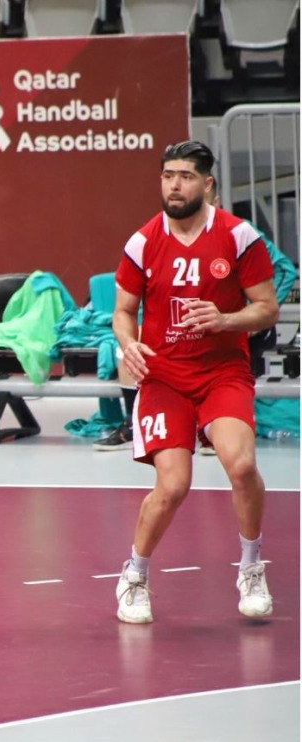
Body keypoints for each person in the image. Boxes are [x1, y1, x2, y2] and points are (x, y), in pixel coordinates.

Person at [111, 141, 278, 624]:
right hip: (164, 376)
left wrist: (225, 320)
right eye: (167, 175)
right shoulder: (143, 242)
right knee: (174, 484)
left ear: (207, 184)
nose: (174, 185)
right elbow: (122, 312)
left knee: (241, 465)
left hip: (222, 371)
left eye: (185, 176)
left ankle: (251, 567)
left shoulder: (239, 237)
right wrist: (128, 344)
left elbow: (266, 308)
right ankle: (135, 575)